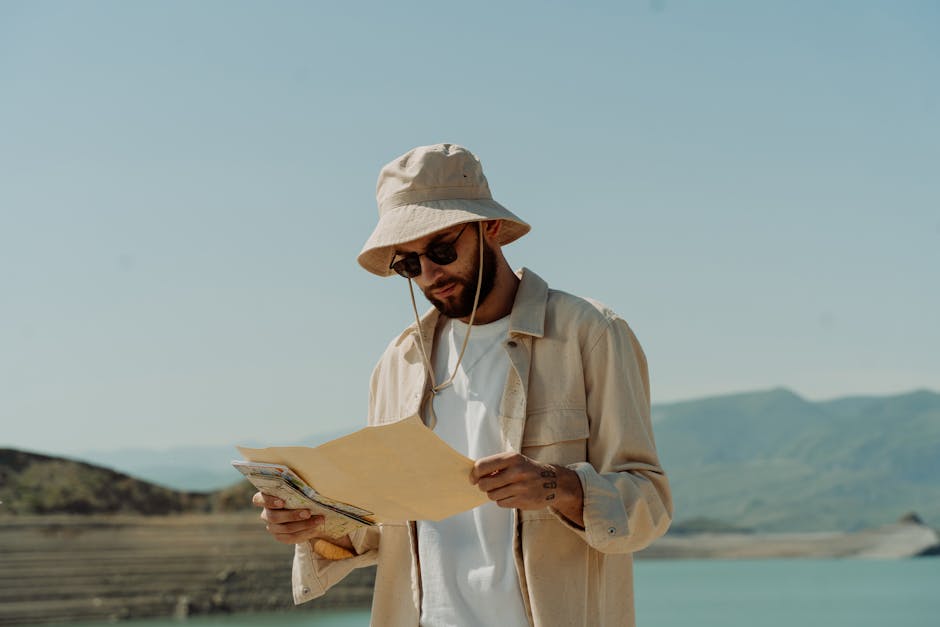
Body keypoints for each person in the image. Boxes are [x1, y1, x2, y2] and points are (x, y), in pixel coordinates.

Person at [253, 143, 672, 626]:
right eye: (408, 264)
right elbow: (382, 524)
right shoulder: (398, 362)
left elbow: (649, 504)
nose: (430, 275)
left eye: (441, 249)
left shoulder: (589, 333)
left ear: (490, 228)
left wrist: (557, 485)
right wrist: (312, 523)